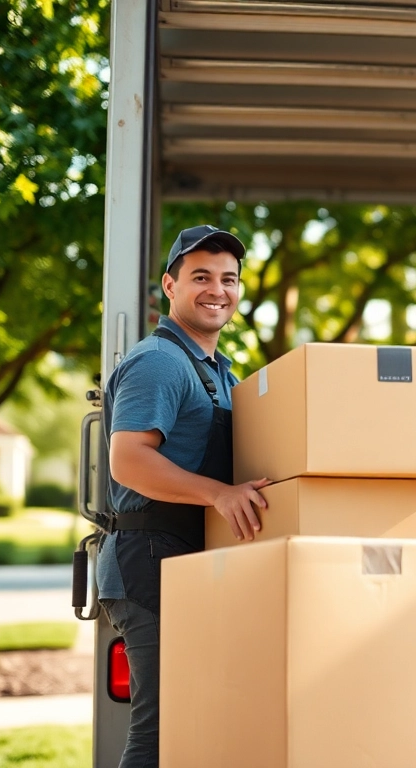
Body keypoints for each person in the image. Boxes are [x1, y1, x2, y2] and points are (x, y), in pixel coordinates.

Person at [96, 225, 269, 767]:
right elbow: (129, 460)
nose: (217, 290)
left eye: (229, 279)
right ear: (170, 286)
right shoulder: (160, 362)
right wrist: (219, 494)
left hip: (183, 560)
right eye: (201, 277)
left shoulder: (220, 371)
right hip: (148, 561)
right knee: (161, 731)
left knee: (194, 726)